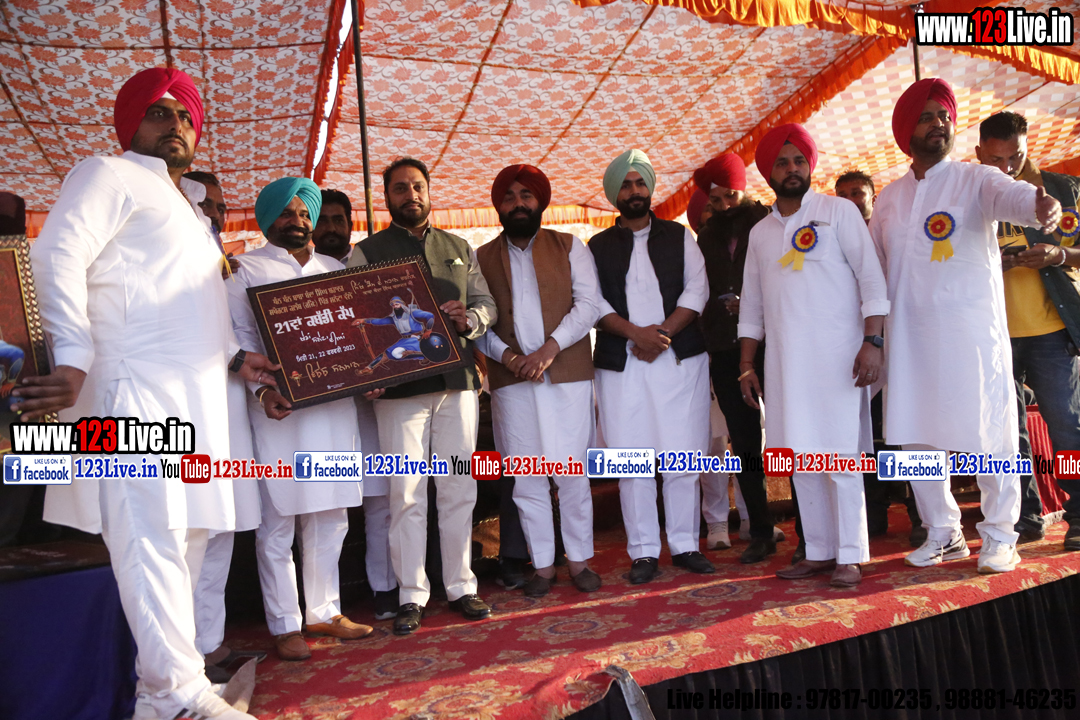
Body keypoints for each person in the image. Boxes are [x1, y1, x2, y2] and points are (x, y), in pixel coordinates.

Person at [18, 67, 278, 720]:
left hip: (192, 401)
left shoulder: (188, 209)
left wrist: (238, 358)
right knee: (149, 534)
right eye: (160, 112)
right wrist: (71, 356)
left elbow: (186, 303)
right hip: (125, 391)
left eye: (186, 115)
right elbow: (56, 256)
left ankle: (158, 696)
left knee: (186, 539)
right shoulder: (105, 173)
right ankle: (180, 694)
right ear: (130, 122)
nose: (177, 125)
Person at [870, 78, 1062, 573]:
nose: (940, 123)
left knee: (991, 432)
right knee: (913, 436)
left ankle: (1000, 534)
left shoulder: (977, 179)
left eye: (944, 115)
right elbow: (872, 270)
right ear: (906, 130)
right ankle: (943, 532)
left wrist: (1040, 206)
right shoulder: (888, 199)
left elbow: (1015, 196)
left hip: (970, 335)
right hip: (908, 339)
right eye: (927, 116)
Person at [347, 157, 497, 635]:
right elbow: (354, 319)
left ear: (429, 192)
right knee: (406, 493)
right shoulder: (366, 252)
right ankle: (412, 594)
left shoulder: (459, 247)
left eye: (417, 187)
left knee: (458, 487)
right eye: (400, 188)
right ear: (387, 197)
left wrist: (470, 320)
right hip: (400, 393)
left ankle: (461, 586)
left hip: (457, 385)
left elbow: (486, 303)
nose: (410, 195)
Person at [228, 177, 372, 660]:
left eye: (304, 213)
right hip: (281, 411)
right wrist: (262, 390)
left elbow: (356, 337)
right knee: (279, 520)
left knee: (332, 514)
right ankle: (286, 623)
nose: (298, 221)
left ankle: (325, 611)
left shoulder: (335, 269)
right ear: (267, 219)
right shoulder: (244, 270)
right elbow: (242, 338)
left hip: (334, 409)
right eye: (287, 213)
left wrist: (372, 375)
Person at [738, 124, 888, 587]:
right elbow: (752, 305)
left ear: (810, 165)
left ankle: (851, 554)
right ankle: (819, 550)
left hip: (841, 359)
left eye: (799, 161)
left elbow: (872, 280)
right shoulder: (760, 233)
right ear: (768, 172)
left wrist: (873, 342)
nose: (792, 169)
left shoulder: (838, 211)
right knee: (799, 457)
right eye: (782, 162)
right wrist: (746, 365)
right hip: (785, 366)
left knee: (841, 458)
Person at [474, 164, 602, 596]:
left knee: (571, 472)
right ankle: (543, 566)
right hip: (513, 383)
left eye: (525, 195)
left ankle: (580, 561)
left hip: (565, 377)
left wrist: (549, 350)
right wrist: (509, 357)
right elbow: (477, 322)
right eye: (509, 197)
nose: (518, 204)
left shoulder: (569, 246)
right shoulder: (481, 258)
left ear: (540, 201)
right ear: (499, 206)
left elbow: (588, 306)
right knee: (527, 476)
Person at [589, 149, 715, 584]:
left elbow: (697, 291)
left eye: (640, 183)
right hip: (622, 365)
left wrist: (660, 335)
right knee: (631, 460)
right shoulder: (597, 247)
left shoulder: (680, 236)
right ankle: (643, 551)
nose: (634, 191)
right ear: (615, 195)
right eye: (626, 185)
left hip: (677, 361)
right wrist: (634, 334)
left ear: (650, 188)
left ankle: (685, 545)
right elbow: (591, 302)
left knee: (682, 455)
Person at [976, 110, 1080, 550]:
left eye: (1015, 157)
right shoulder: (972, 194)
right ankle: (1025, 516)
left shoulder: (1061, 188)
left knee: (1068, 427)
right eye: (996, 160)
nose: (1007, 168)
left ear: (1026, 146)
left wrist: (1058, 256)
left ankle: (1079, 514)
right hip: (992, 334)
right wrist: (989, 264)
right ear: (978, 153)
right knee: (1008, 435)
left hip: (1052, 330)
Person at [179, 172, 264, 681]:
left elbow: (241, 336)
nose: (213, 212)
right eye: (203, 203)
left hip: (230, 409)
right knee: (192, 533)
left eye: (219, 205)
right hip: (187, 412)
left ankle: (209, 644)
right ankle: (183, 654)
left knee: (222, 530)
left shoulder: (230, 267)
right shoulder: (179, 255)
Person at [694, 153, 787, 564]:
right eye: (715, 200)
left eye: (730, 196)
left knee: (788, 434)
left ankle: (812, 531)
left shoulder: (769, 223)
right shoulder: (706, 235)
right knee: (744, 441)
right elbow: (700, 288)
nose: (725, 206)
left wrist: (752, 303)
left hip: (773, 343)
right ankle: (759, 531)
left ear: (744, 189)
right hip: (725, 348)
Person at [833, 170, 924, 546]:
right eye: (842, 195)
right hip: (860, 349)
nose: (850, 200)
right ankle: (873, 516)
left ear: (873, 198)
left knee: (911, 433)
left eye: (857, 193)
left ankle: (922, 516)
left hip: (903, 343)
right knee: (870, 438)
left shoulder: (891, 231)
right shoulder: (834, 239)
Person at [313, 188, 355, 262]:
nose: (331, 229)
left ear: (349, 226)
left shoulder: (368, 263)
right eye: (321, 221)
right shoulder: (299, 266)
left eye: (338, 221)